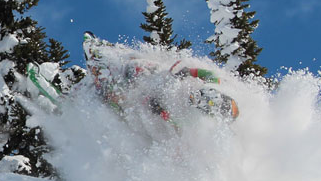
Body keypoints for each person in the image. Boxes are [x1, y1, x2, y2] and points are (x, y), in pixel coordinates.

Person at [83, 31, 238, 122]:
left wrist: (159, 110)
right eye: (199, 96)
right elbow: (199, 72)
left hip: (145, 91)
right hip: (150, 73)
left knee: (124, 102)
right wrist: (186, 72)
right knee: (133, 70)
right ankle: (104, 54)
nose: (195, 97)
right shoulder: (209, 82)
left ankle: (101, 85)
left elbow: (171, 121)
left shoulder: (192, 120)